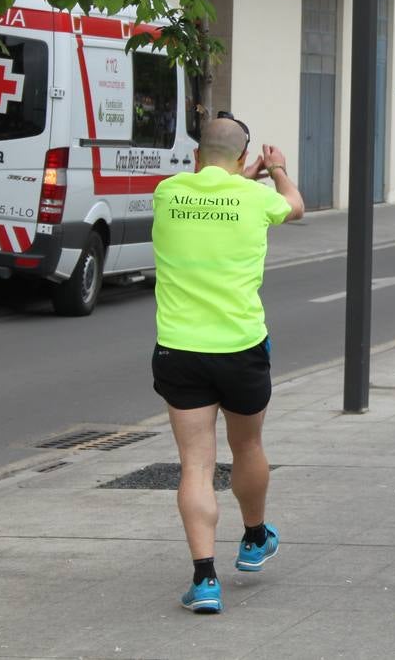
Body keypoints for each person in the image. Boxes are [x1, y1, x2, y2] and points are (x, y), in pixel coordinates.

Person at [151, 114, 305, 614]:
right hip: (240, 347)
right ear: (243, 160)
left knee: (195, 464)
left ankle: (204, 580)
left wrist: (235, 175)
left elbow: (210, 190)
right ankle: (255, 537)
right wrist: (276, 170)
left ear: (195, 157)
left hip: (180, 349)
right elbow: (295, 207)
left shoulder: (168, 192)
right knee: (248, 445)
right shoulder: (257, 196)